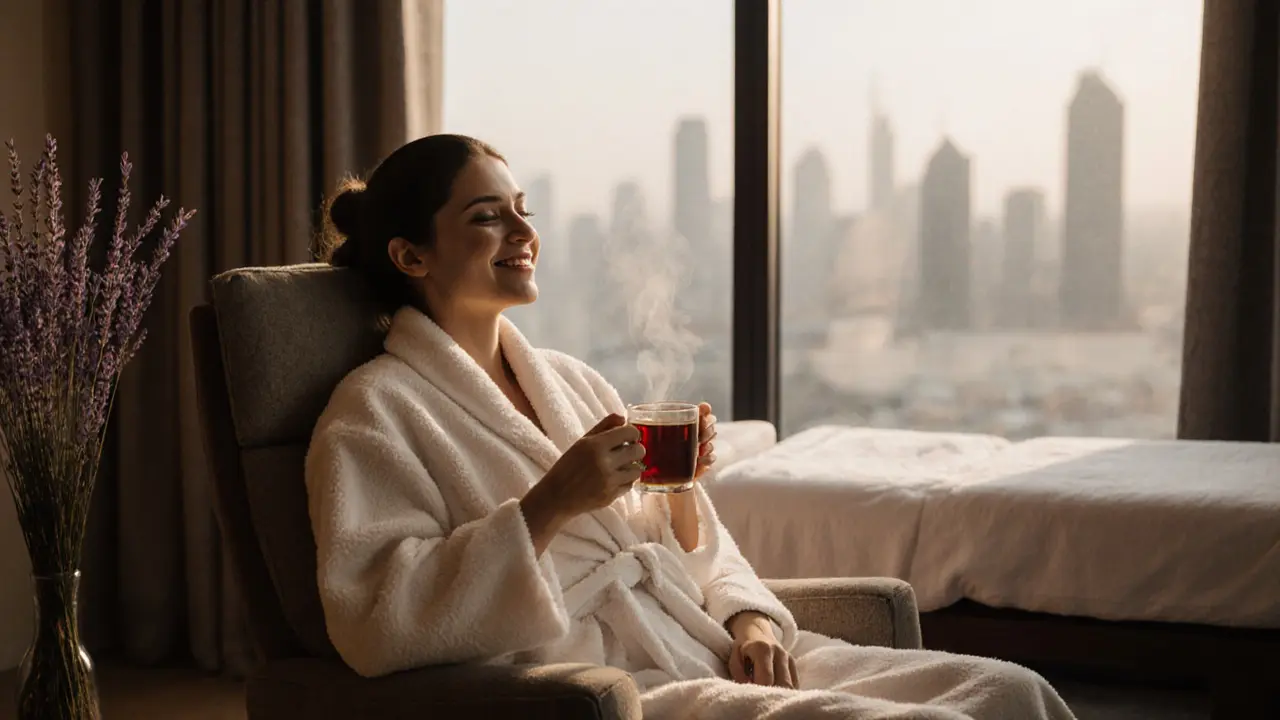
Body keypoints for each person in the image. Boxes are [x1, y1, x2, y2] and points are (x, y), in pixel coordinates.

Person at [305, 133, 1075, 719]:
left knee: (1011, 691)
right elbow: (378, 623)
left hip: (708, 647)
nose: (521, 231)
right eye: (486, 217)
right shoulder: (375, 412)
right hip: (614, 686)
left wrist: (748, 617)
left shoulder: (571, 380)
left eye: (522, 211)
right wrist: (548, 504)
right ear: (411, 254)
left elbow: (684, 545)